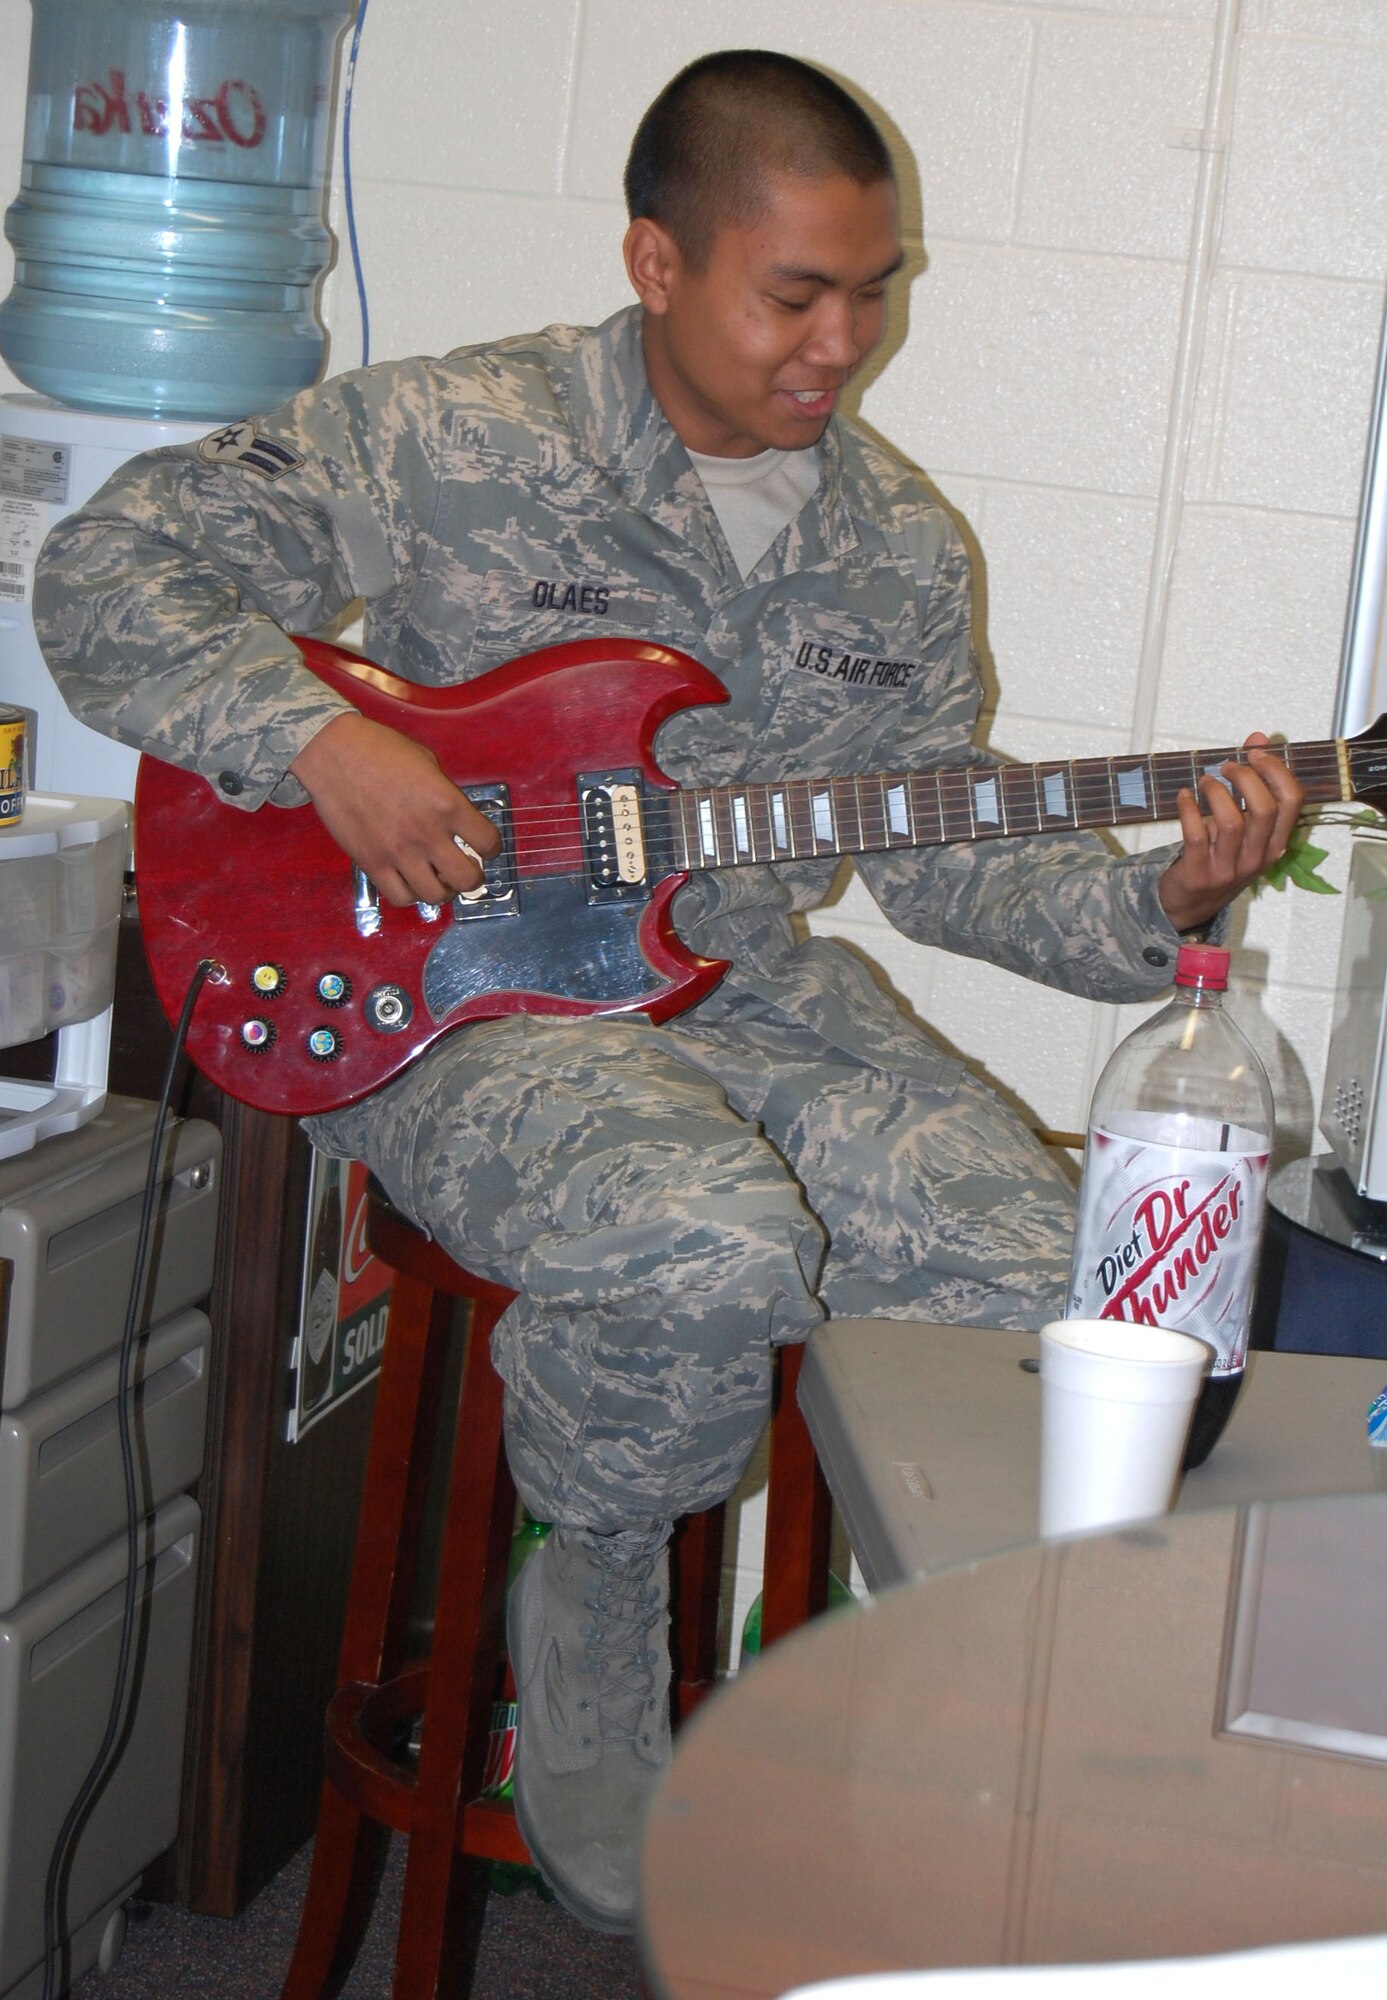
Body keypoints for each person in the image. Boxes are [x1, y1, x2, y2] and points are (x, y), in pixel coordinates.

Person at [33, 50, 1303, 1935]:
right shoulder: (455, 429)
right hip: (461, 1000)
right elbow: (107, 566)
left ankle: (918, 1706)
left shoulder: (897, 538)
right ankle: (594, 1587)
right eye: (796, 292)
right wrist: (320, 740)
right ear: (655, 256)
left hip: (745, 984)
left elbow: (946, 851)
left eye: (876, 290)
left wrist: (1165, 894)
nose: (844, 341)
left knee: (1053, 1293)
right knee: (700, 1239)